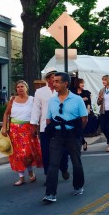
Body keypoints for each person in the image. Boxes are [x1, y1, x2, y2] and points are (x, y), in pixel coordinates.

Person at [43, 72, 88, 203]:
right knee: (53, 164)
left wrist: (77, 131)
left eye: (57, 81)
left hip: (72, 134)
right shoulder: (52, 100)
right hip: (57, 135)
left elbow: (84, 119)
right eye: (53, 81)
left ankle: (78, 186)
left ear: (65, 83)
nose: (54, 83)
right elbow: (48, 119)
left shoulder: (77, 99)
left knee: (76, 162)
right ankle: (50, 194)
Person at [1, 80, 43, 186]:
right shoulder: (13, 100)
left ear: (26, 88)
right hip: (14, 131)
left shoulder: (32, 100)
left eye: (22, 86)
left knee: (27, 153)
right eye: (18, 87)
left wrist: (36, 126)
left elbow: (38, 113)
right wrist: (4, 127)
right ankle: (21, 177)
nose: (20, 88)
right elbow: (6, 114)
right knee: (17, 155)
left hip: (28, 129)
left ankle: (30, 171)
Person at [30, 69, 70, 178]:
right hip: (45, 126)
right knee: (46, 152)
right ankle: (49, 174)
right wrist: (34, 125)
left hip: (61, 125)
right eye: (54, 78)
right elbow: (36, 109)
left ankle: (64, 167)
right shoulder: (40, 92)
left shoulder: (62, 91)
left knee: (63, 149)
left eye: (58, 79)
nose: (56, 81)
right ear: (48, 79)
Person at [73, 77, 92, 150]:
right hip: (75, 112)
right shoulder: (72, 92)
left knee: (80, 128)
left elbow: (89, 102)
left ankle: (82, 142)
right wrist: (82, 99)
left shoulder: (86, 92)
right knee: (78, 128)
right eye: (81, 83)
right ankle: (83, 142)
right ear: (77, 84)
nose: (83, 84)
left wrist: (88, 110)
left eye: (83, 83)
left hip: (83, 112)